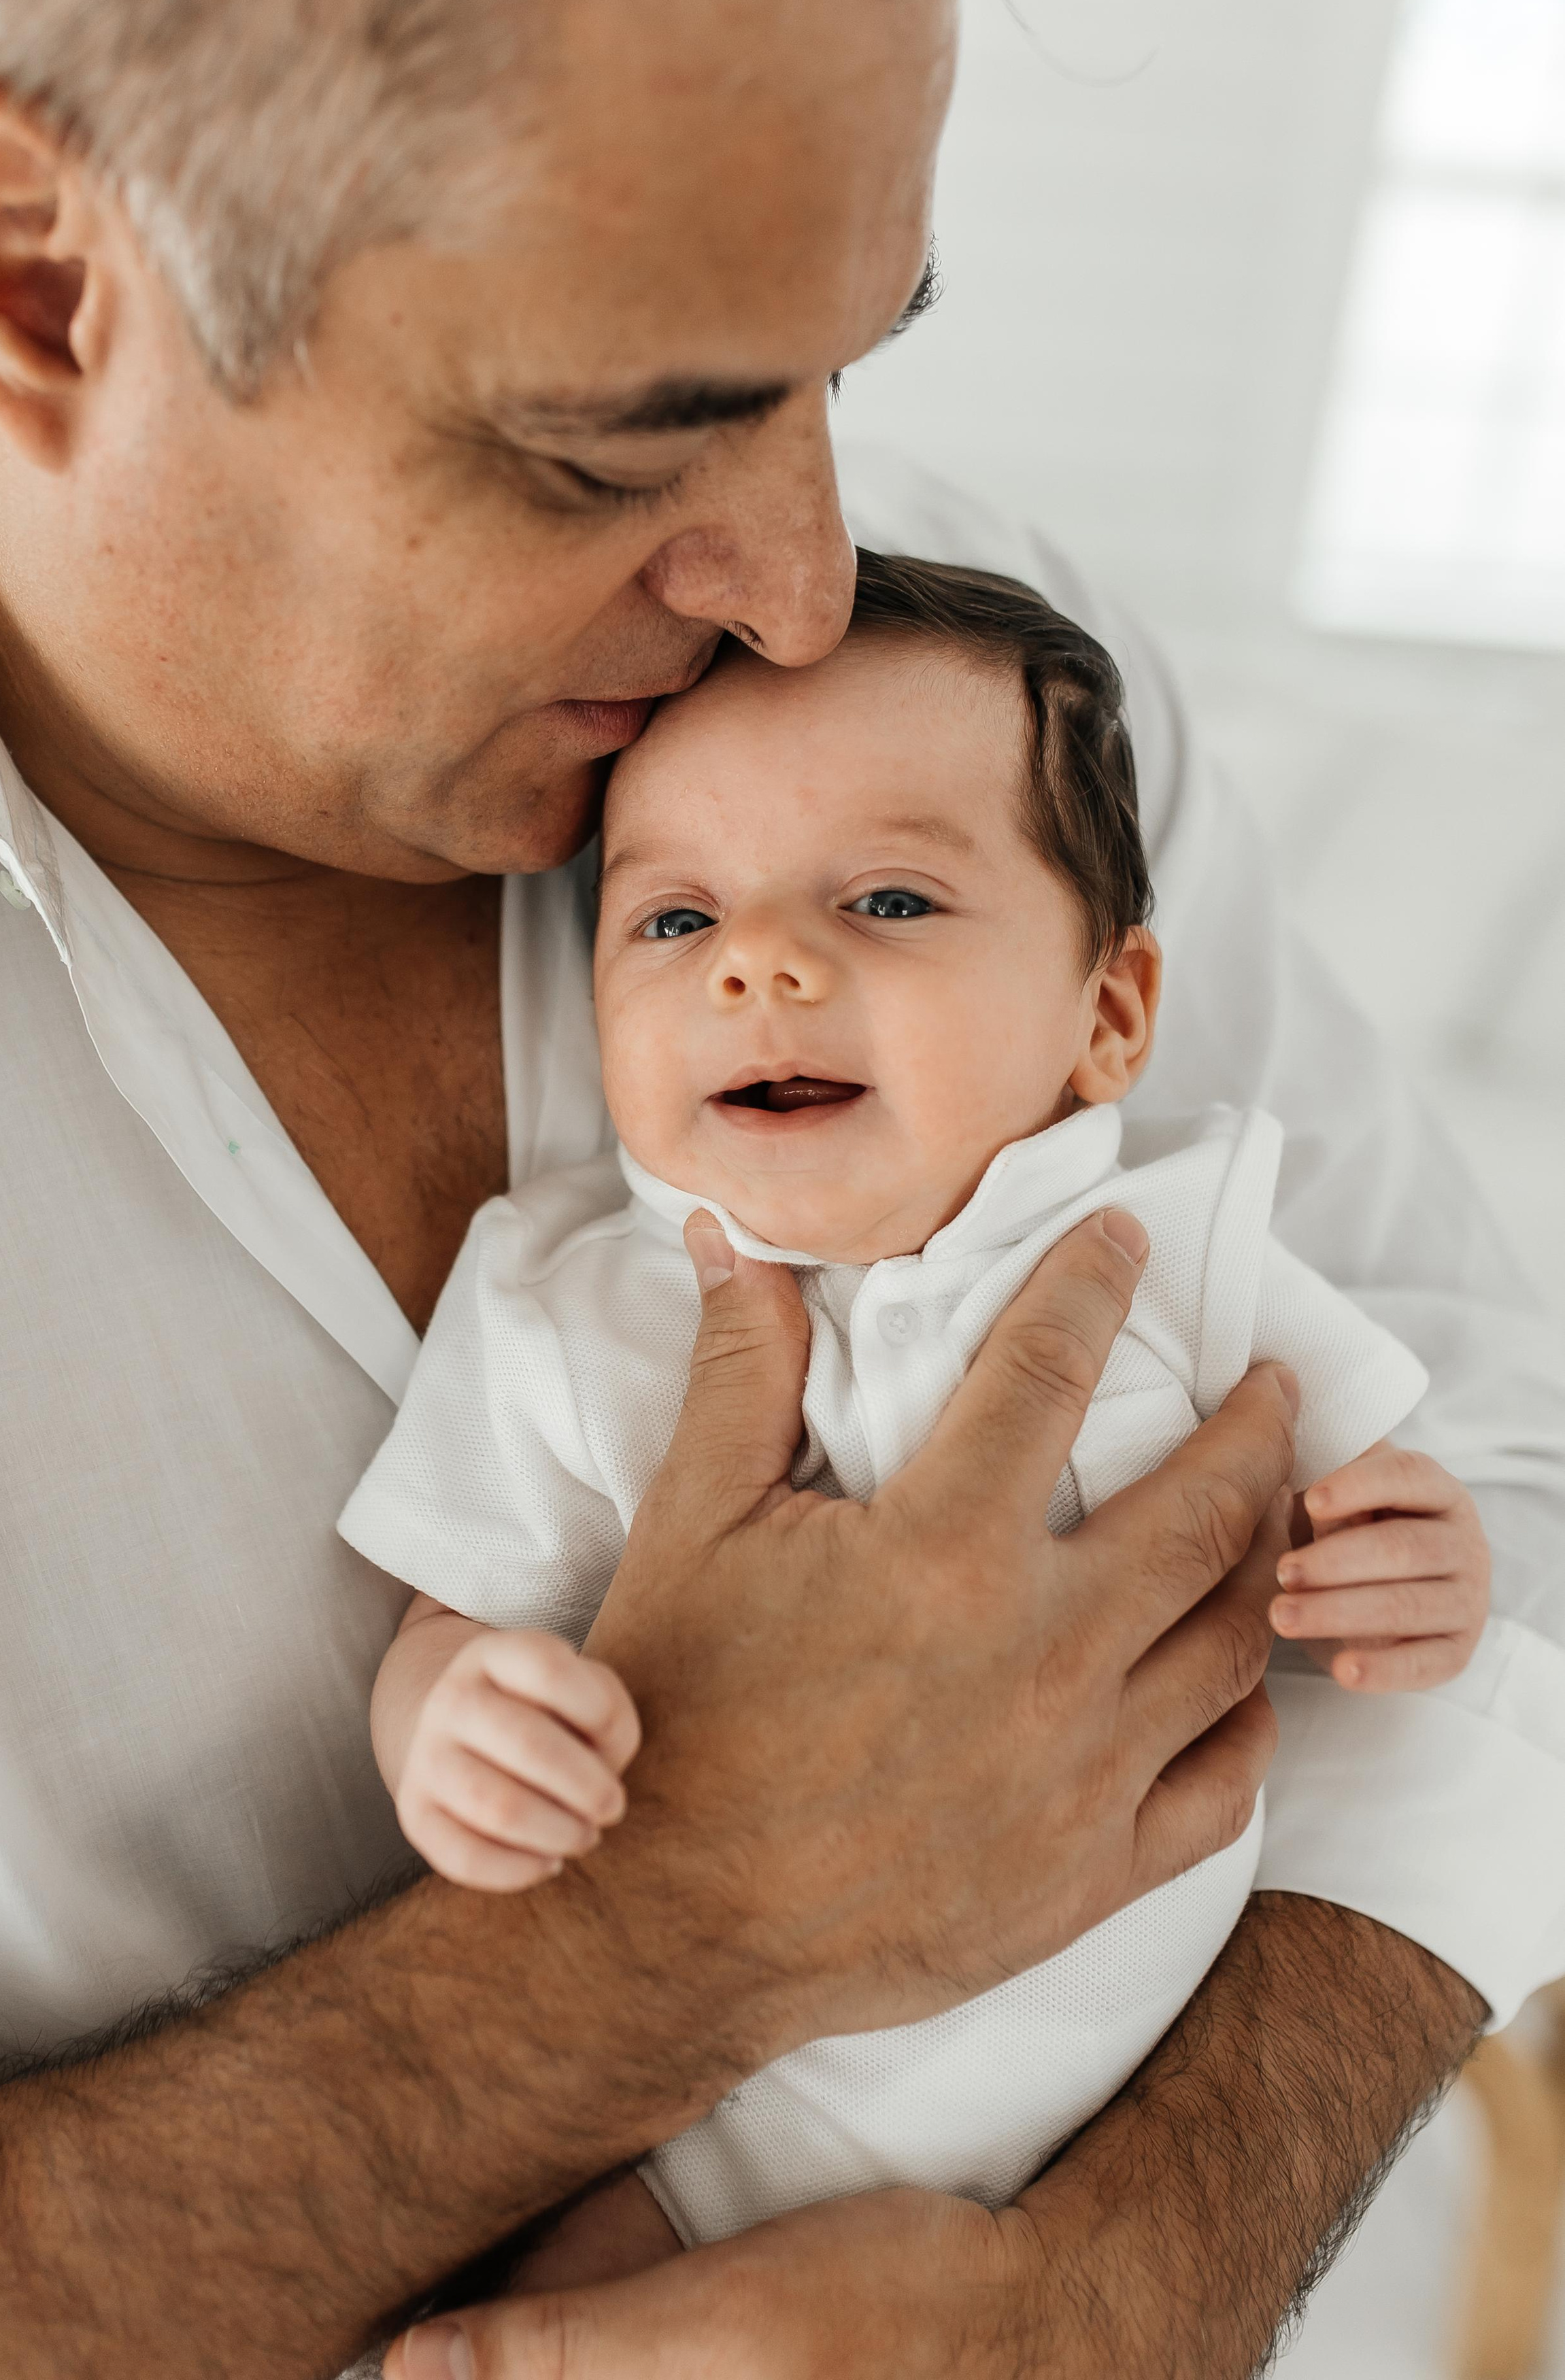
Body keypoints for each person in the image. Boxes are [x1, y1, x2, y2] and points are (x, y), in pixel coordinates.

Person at [0, 0, 1559, 2378]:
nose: (804, 579)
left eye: (855, 364)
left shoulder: (963, 724)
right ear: (28, 273)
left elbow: (1511, 1496)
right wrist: (678, 1930)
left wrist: (1132, 2289)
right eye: (618, 444)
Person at [344, 555, 1491, 2296]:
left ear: (1106, 1016)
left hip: (1103, 2119)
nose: (760, 968)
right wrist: (453, 1724)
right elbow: (452, 1619)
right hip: (692, 2122)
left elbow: (1375, 1516)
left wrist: (1416, 1568)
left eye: (882, 901)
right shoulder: (569, 1309)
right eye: (673, 921)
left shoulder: (1175, 1245)